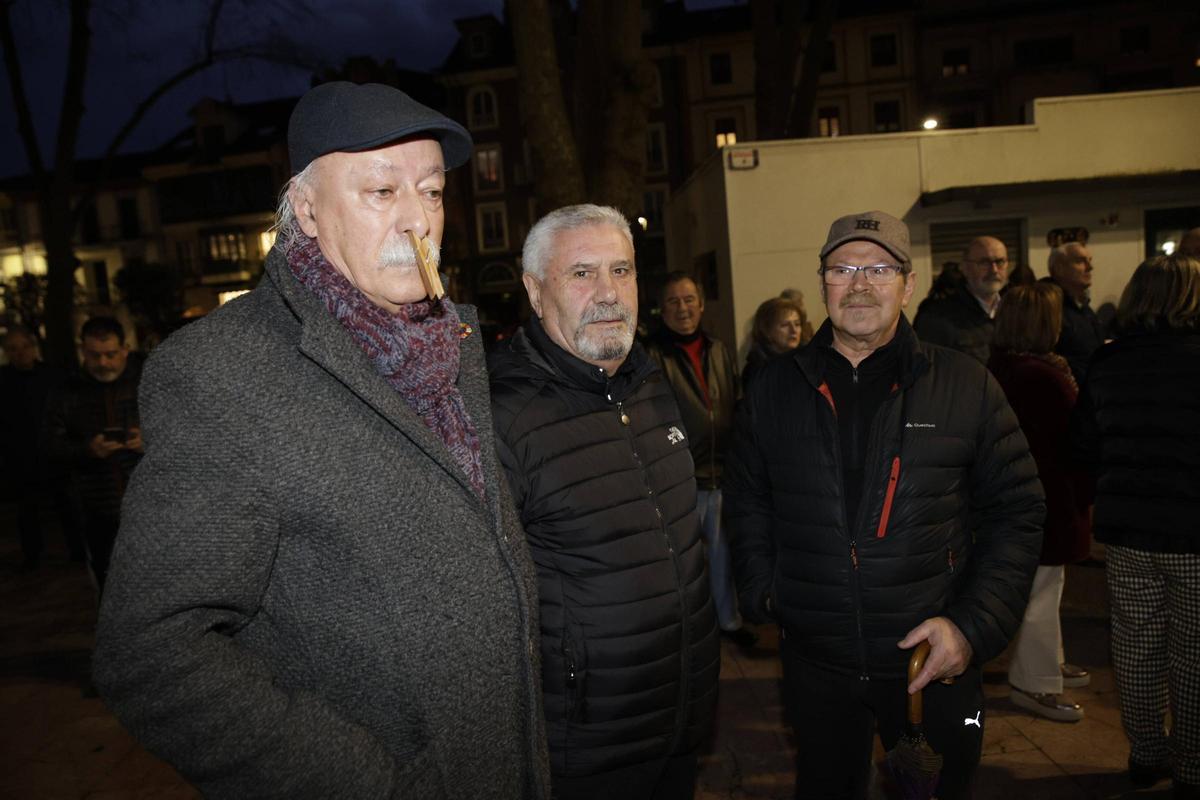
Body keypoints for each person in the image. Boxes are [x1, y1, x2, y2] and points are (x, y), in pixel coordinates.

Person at [92, 82, 550, 799]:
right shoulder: (223, 372)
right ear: (305, 209)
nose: (417, 222)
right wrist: (365, 783)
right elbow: (152, 654)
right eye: (380, 192)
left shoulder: (447, 347)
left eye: (431, 193)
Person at [725, 210, 1044, 800]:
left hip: (934, 663)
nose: (861, 284)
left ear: (909, 282)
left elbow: (1017, 514)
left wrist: (970, 627)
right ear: (822, 281)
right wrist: (767, 590)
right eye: (843, 268)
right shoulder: (774, 390)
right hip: (817, 661)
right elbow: (746, 499)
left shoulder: (965, 384)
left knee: (934, 788)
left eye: (878, 268)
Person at [489, 204, 718, 800]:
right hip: (588, 747)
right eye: (582, 274)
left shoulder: (651, 383)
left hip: (681, 719)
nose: (609, 293)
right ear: (536, 293)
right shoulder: (501, 415)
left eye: (622, 270)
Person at [1072, 254, 1200, 799]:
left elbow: (1083, 446)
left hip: (1126, 530)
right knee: (1193, 649)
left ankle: (1146, 752)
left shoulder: (1107, 361)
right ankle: (1193, 763)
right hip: (1194, 533)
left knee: (1135, 641)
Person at [987, 284, 1093, 723]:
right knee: (1040, 594)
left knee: (1046, 589)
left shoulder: (1006, 368)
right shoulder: (1040, 377)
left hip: (1028, 500)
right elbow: (1075, 441)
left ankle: (1051, 663)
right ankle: (1035, 683)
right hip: (1048, 501)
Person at [647, 270, 755, 648]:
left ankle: (729, 621)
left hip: (721, 473)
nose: (683, 308)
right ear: (662, 310)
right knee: (685, 563)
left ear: (702, 304)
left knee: (725, 556)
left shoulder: (719, 349)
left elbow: (735, 405)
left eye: (689, 299)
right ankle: (691, 631)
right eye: (674, 301)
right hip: (681, 478)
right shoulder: (650, 356)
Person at [44, 317, 143, 593]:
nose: (103, 363)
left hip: (151, 507)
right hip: (95, 509)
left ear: (125, 349)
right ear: (82, 352)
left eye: (110, 354)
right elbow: (50, 446)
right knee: (110, 586)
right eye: (94, 355)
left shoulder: (148, 382)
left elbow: (183, 432)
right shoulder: (66, 392)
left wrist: (149, 442)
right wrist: (88, 450)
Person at [1, 326, 78, 570]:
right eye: (13, 349)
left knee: (65, 504)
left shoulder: (52, 376)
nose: (20, 353)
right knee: (27, 510)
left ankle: (76, 550)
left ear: (33, 347)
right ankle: (32, 554)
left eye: (23, 347)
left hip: (53, 451)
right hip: (20, 454)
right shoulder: (3, 380)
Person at [913, 236, 1009, 362]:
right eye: (984, 263)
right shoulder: (937, 317)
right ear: (965, 268)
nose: (994, 270)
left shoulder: (1016, 311)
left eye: (1000, 262)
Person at [1046, 241, 1104, 384]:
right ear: (1059, 268)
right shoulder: (1049, 307)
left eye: (1089, 261)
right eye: (1080, 261)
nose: (1090, 267)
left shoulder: (1083, 306)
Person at [743, 296, 806, 387]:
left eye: (797, 324)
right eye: (785, 325)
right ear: (767, 330)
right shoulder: (757, 370)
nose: (793, 330)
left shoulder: (808, 360)